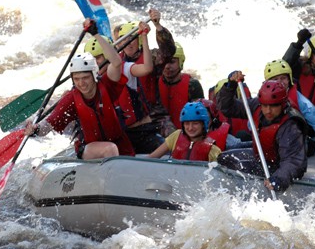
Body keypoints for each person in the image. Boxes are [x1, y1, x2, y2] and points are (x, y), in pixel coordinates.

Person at [25, 20, 134, 159]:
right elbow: (49, 123)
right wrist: (35, 130)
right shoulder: (71, 98)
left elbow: (116, 62)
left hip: (120, 145)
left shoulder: (106, 85)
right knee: (110, 149)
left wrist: (95, 34)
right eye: (76, 79)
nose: (81, 83)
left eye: (85, 78)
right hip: (89, 149)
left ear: (94, 75)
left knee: (113, 149)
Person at [217, 76, 307, 193]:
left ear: (282, 104)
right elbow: (227, 107)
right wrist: (230, 86)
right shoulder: (257, 106)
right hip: (262, 158)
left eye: (273, 106)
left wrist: (278, 179)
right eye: (265, 106)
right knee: (224, 159)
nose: (268, 111)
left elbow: (293, 161)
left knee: (241, 165)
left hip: (279, 167)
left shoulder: (290, 126)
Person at [85, 24, 163, 153]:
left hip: (142, 131)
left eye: (98, 58)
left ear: (107, 55)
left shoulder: (125, 68)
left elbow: (147, 68)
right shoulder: (90, 81)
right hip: (120, 136)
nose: (95, 62)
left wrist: (144, 37)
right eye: (91, 59)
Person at [156, 42, 205, 136]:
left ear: (181, 62)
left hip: (186, 135)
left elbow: (200, 116)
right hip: (159, 135)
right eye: (164, 62)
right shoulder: (154, 83)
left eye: (172, 62)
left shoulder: (192, 85)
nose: (167, 66)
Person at [149, 101, 221, 162]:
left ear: (203, 124)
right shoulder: (176, 136)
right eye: (187, 123)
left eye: (195, 123)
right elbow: (151, 158)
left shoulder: (213, 150)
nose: (190, 128)